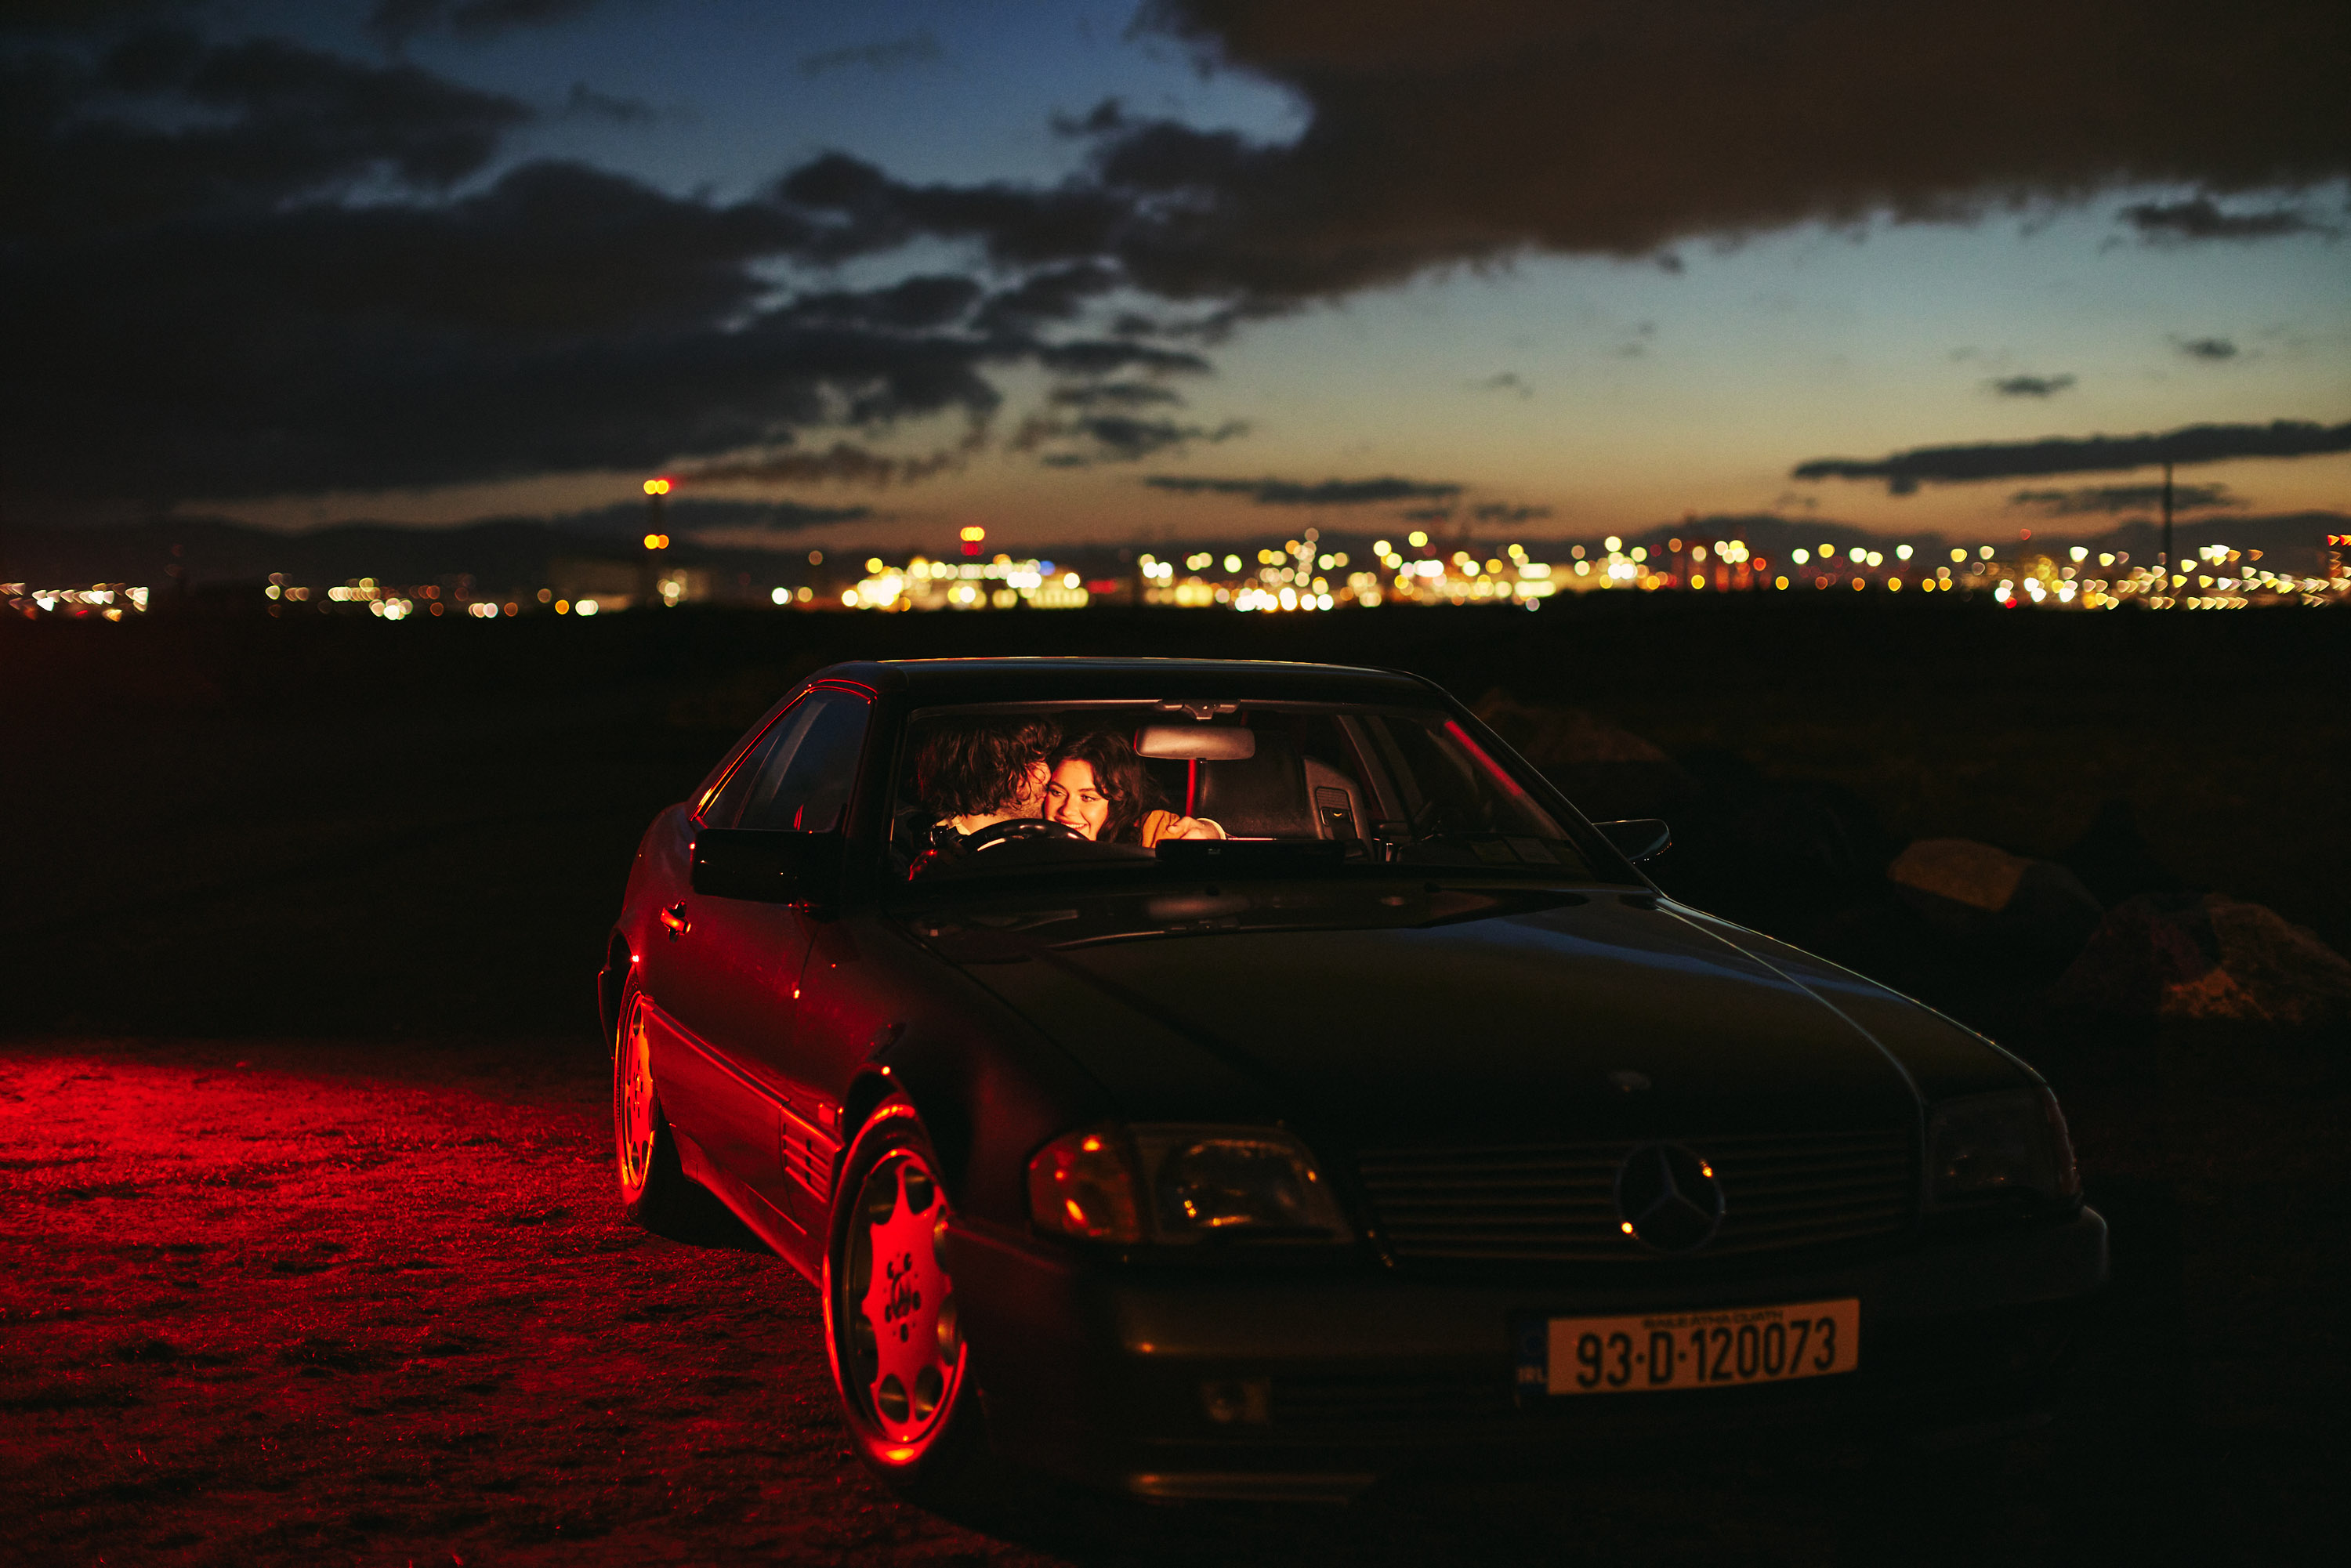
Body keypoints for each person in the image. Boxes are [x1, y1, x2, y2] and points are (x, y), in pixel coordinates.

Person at [906, 716, 1060, 875]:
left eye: (1043, 760)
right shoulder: (933, 858)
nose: (1047, 775)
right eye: (1029, 765)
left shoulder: (1044, 837)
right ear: (986, 773)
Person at [1043, 730, 1224, 846]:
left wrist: (1213, 832)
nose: (1067, 810)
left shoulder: (1151, 832)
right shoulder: (1025, 831)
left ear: (1119, 802)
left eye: (1088, 798)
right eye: (1057, 792)